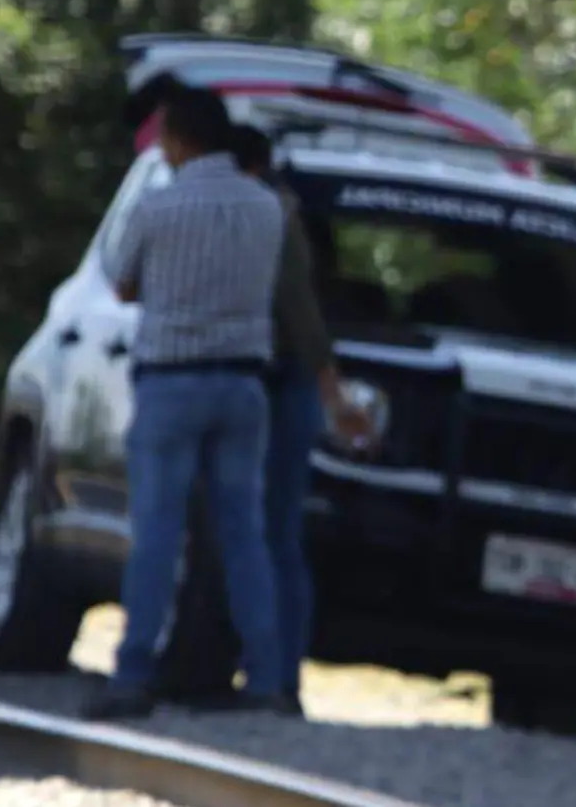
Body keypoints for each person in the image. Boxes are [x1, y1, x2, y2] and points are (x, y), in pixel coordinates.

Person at [84, 75, 293, 720]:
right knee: (244, 535)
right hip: (244, 385)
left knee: (157, 533)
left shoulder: (157, 206)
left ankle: (133, 674)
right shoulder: (268, 208)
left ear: (176, 138)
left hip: (172, 380)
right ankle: (268, 679)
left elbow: (122, 285)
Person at [227, 124, 376, 715]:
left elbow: (302, 315)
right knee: (266, 534)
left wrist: (331, 395)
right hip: (269, 378)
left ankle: (277, 675)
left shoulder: (274, 214)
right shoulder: (268, 210)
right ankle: (269, 671)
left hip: (280, 379)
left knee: (270, 535)